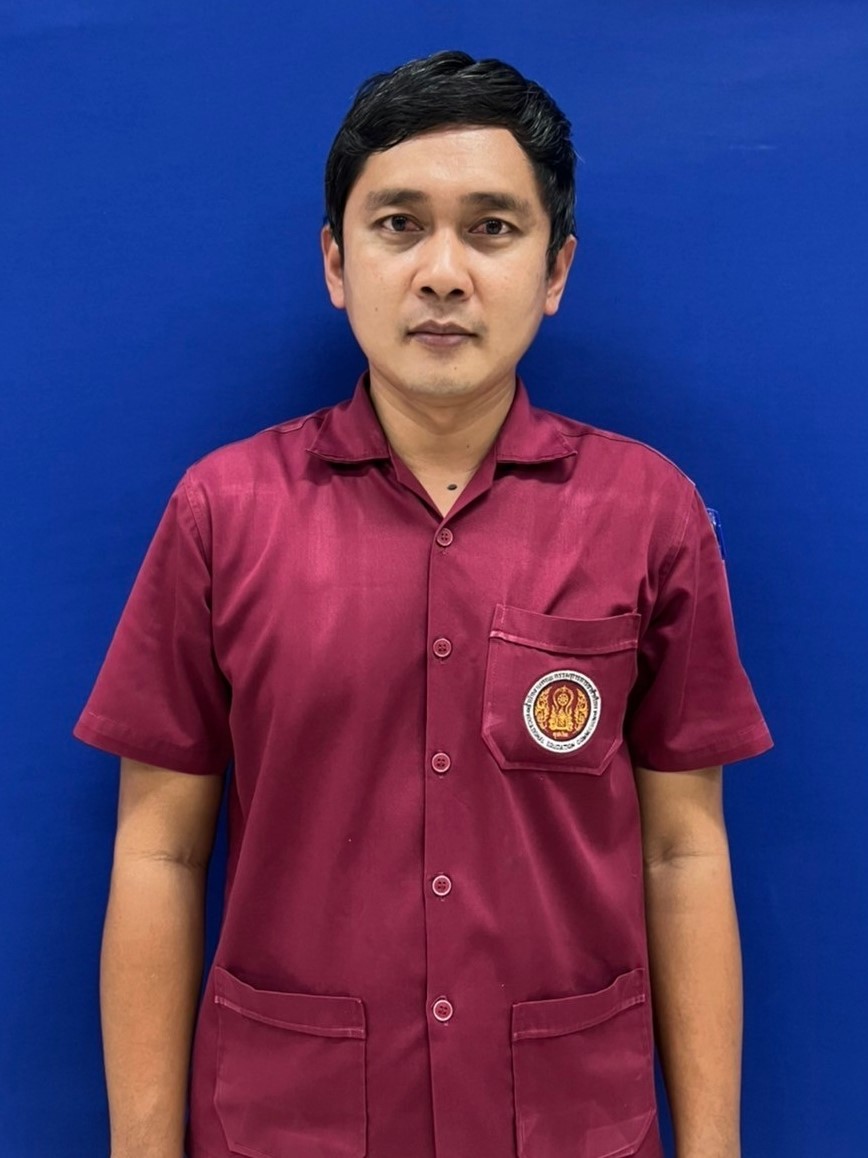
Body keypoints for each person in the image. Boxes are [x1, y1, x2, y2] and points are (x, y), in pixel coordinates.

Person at [75, 50, 772, 1158]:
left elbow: (683, 850)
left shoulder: (648, 512)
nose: (443, 273)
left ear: (556, 268)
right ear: (335, 261)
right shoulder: (222, 511)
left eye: (491, 228)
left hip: (571, 1124)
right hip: (285, 1124)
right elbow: (158, 851)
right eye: (399, 225)